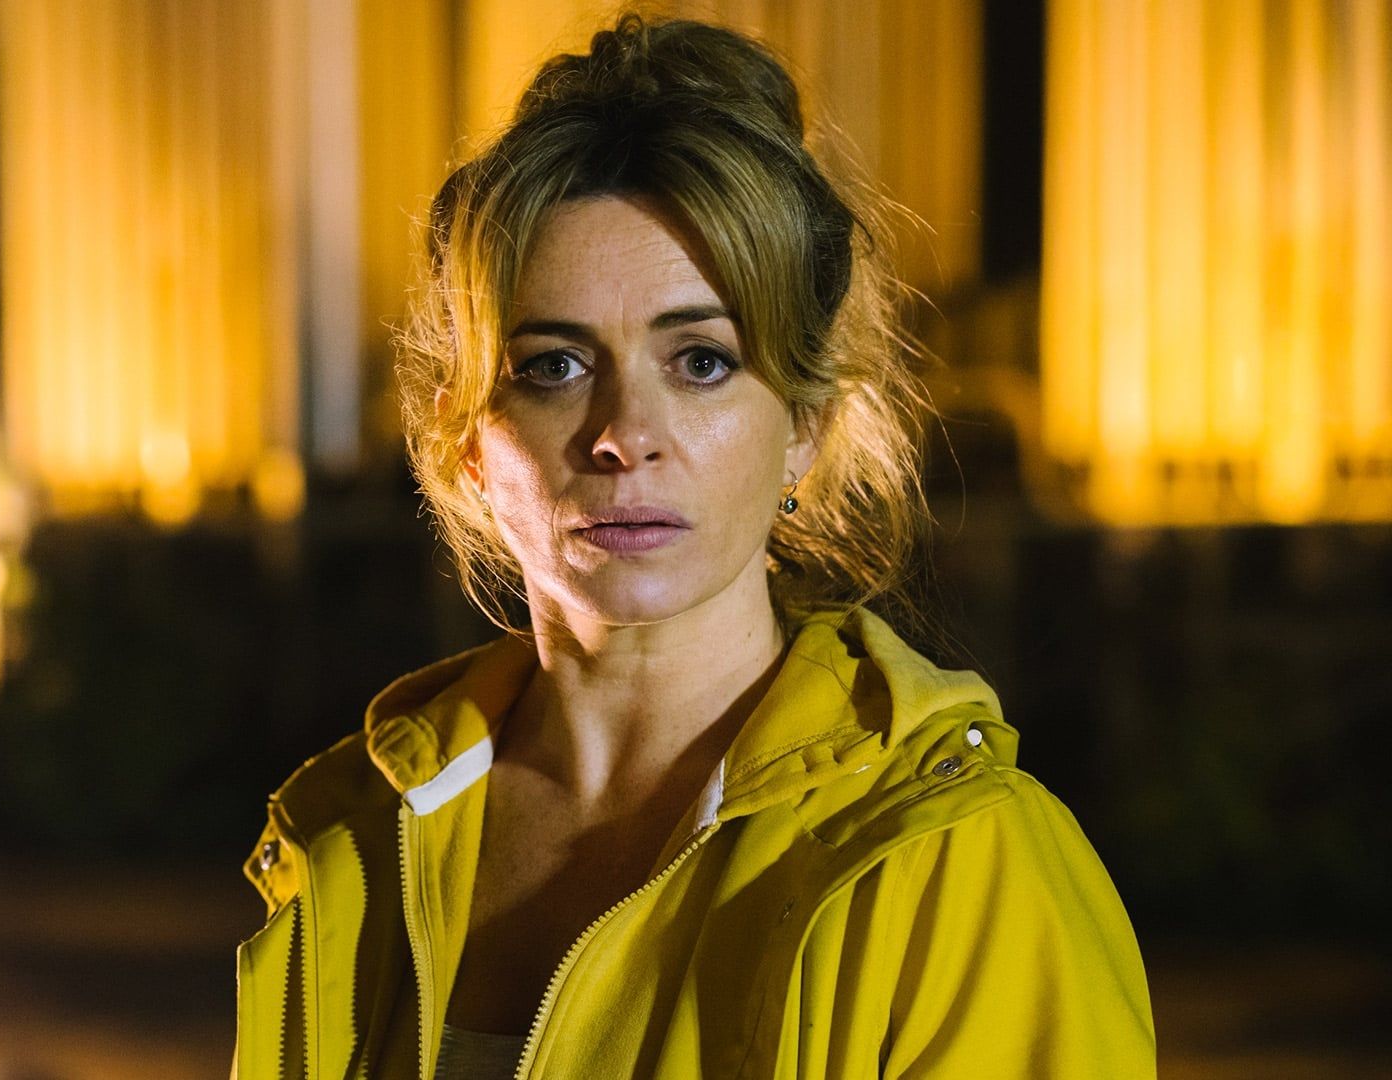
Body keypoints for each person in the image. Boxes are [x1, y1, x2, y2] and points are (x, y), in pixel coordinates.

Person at [233, 14, 1155, 1079]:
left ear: (804, 424)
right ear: (465, 438)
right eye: (554, 366)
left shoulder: (953, 856)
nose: (625, 434)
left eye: (702, 361)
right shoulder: (348, 837)